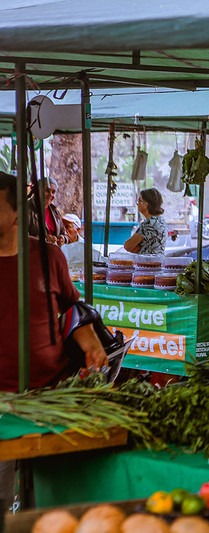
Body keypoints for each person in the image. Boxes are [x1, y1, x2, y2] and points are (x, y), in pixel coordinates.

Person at [0, 171, 107, 512]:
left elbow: (71, 308)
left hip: (48, 395)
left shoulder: (49, 257)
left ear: (16, 212)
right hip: (1, 405)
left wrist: (91, 345)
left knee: (48, 500)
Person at [124, 188, 167, 254]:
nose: (137, 204)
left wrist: (137, 247)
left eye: (139, 201)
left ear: (146, 204)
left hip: (146, 262)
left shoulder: (149, 224)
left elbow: (128, 246)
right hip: (158, 261)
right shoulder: (161, 220)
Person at [27, 177, 68, 246]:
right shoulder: (26, 209)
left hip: (52, 254)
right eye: (47, 191)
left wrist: (63, 238)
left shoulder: (55, 212)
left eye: (53, 192)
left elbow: (64, 233)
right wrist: (44, 239)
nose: (50, 195)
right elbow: (20, 236)